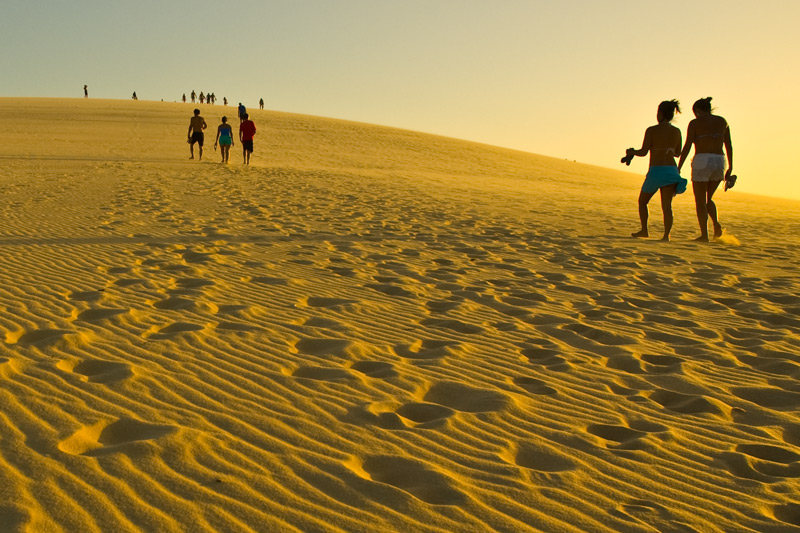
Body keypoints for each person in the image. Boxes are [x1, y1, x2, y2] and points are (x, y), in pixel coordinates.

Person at [623, 100, 687, 241]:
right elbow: (678, 153)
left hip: (656, 171)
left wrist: (632, 152)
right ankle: (666, 235)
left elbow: (644, 151)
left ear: (661, 114)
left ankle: (645, 230)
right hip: (671, 171)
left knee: (642, 202)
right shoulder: (676, 131)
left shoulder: (652, 130)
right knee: (667, 206)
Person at [677, 97, 734, 241]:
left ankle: (704, 235)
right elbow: (728, 145)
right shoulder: (722, 121)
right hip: (719, 161)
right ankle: (716, 225)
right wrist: (730, 167)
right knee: (709, 198)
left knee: (700, 200)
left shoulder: (695, 123)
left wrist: (679, 166)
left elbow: (688, 145)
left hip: (702, 160)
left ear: (698, 111)